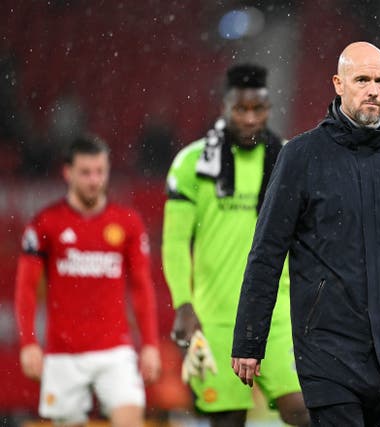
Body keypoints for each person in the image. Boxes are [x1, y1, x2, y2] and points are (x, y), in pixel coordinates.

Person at [231, 41, 380, 427]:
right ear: (338, 84)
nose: (373, 89)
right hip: (327, 350)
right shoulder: (301, 156)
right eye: (362, 79)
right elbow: (267, 252)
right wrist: (249, 340)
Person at [161, 63, 309, 426]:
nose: (249, 118)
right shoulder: (193, 164)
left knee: (306, 411)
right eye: (240, 109)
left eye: (257, 109)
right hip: (217, 319)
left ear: (268, 110)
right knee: (229, 421)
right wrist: (183, 304)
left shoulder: (289, 159)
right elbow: (176, 242)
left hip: (278, 316)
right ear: (225, 108)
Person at [14, 134, 161, 427]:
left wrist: (150, 344)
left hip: (115, 350)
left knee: (131, 420)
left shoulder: (127, 222)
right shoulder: (46, 223)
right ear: (67, 172)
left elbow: (142, 287)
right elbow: (26, 288)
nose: (94, 180)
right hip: (63, 353)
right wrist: (29, 342)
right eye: (85, 172)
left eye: (100, 172)